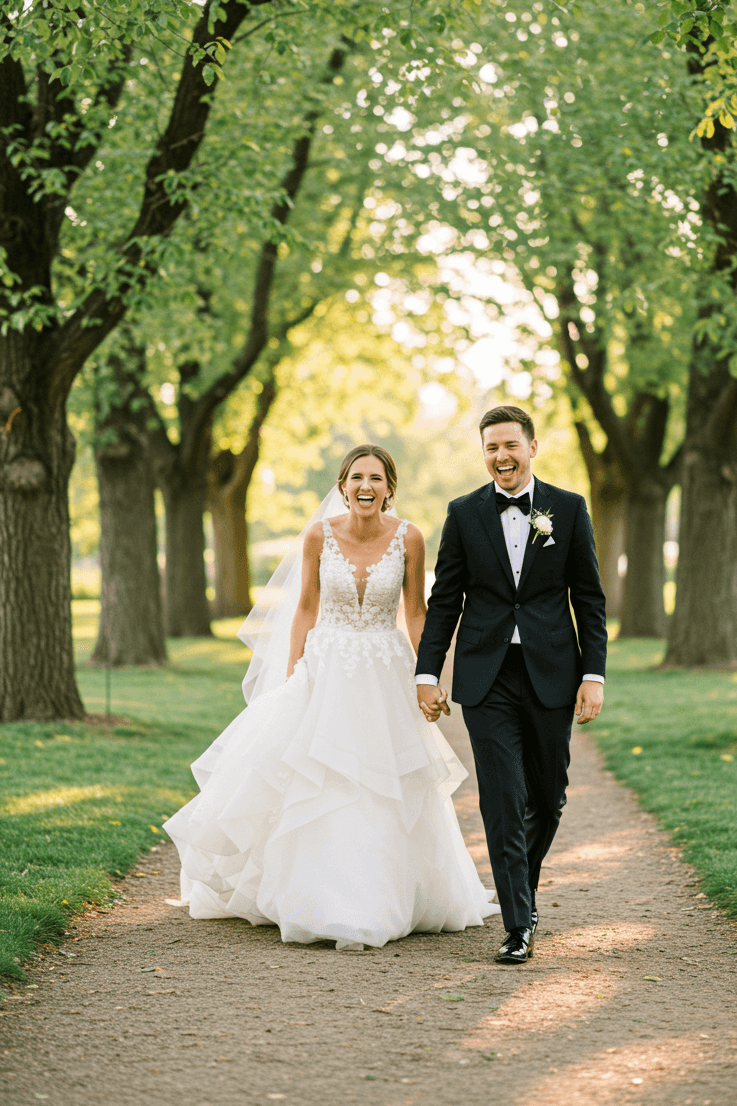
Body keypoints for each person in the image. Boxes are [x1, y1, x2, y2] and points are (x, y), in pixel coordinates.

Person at [164, 444, 499, 951]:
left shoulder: (409, 537)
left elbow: (414, 612)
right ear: (343, 485)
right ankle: (317, 899)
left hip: (386, 671)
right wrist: (294, 670)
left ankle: (384, 897)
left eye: (377, 478)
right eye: (357, 477)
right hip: (327, 669)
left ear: (390, 488)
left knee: (384, 782)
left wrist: (427, 675)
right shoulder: (320, 535)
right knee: (317, 782)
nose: (367, 486)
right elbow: (304, 608)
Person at [415, 406, 607, 965]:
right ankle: (517, 923)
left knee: (548, 798)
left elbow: (589, 599)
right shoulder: (464, 513)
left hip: (552, 673)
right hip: (485, 676)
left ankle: (520, 888)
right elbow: (445, 599)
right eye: (491, 448)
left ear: (532, 447)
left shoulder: (567, 510)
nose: (501, 457)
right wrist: (428, 672)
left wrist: (592, 675)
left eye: (510, 446)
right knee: (503, 797)